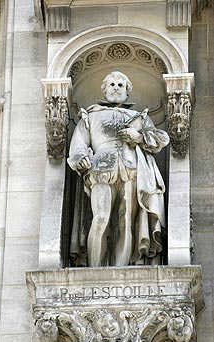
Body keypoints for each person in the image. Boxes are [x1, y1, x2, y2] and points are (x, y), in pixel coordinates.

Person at [67, 71, 169, 267]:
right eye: (112, 84)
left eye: (120, 85)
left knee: (126, 222)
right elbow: (78, 144)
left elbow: (159, 139)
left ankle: (121, 268)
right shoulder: (91, 116)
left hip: (132, 170)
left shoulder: (138, 117)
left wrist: (137, 136)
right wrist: (81, 158)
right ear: (104, 90)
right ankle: (95, 268)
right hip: (100, 171)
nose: (116, 88)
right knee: (101, 217)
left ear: (127, 92)